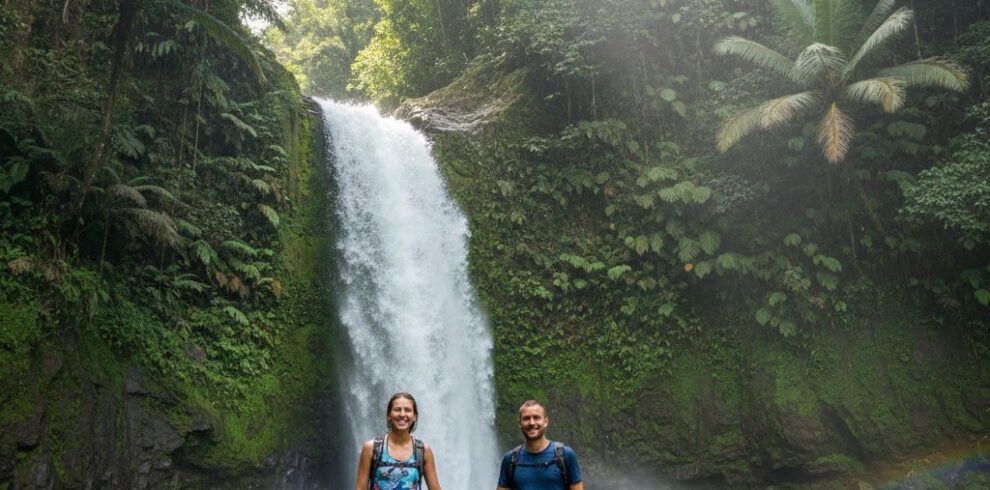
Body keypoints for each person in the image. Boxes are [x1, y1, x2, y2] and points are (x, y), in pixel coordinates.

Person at [354, 392, 442, 490]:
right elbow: (360, 488)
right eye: (397, 410)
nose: (402, 414)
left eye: (408, 410)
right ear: (389, 415)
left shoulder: (423, 450)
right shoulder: (372, 448)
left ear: (415, 417)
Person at [496, 400, 584, 490]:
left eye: (536, 417)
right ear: (519, 423)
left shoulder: (566, 455)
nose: (531, 423)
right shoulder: (510, 460)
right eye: (526, 418)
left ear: (545, 421)